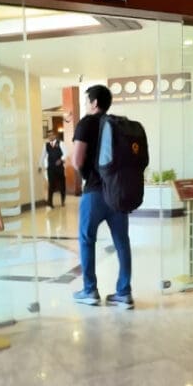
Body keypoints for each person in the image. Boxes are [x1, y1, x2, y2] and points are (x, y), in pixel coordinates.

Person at [69, 85, 133, 309]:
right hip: (117, 194)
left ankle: (90, 291)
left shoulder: (86, 123)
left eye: (87, 100)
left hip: (94, 193)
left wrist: (86, 171)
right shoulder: (117, 124)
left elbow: (77, 160)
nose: (86, 104)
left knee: (87, 240)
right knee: (122, 242)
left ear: (95, 102)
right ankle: (124, 293)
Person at [38, 130, 66, 208]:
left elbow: (66, 153)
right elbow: (42, 156)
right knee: (51, 185)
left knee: (62, 185)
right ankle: (50, 202)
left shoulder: (61, 143)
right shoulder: (46, 145)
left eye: (51, 135)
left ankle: (63, 201)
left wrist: (61, 160)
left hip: (60, 168)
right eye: (49, 135)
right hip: (51, 168)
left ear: (55, 135)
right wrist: (40, 165)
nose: (50, 137)